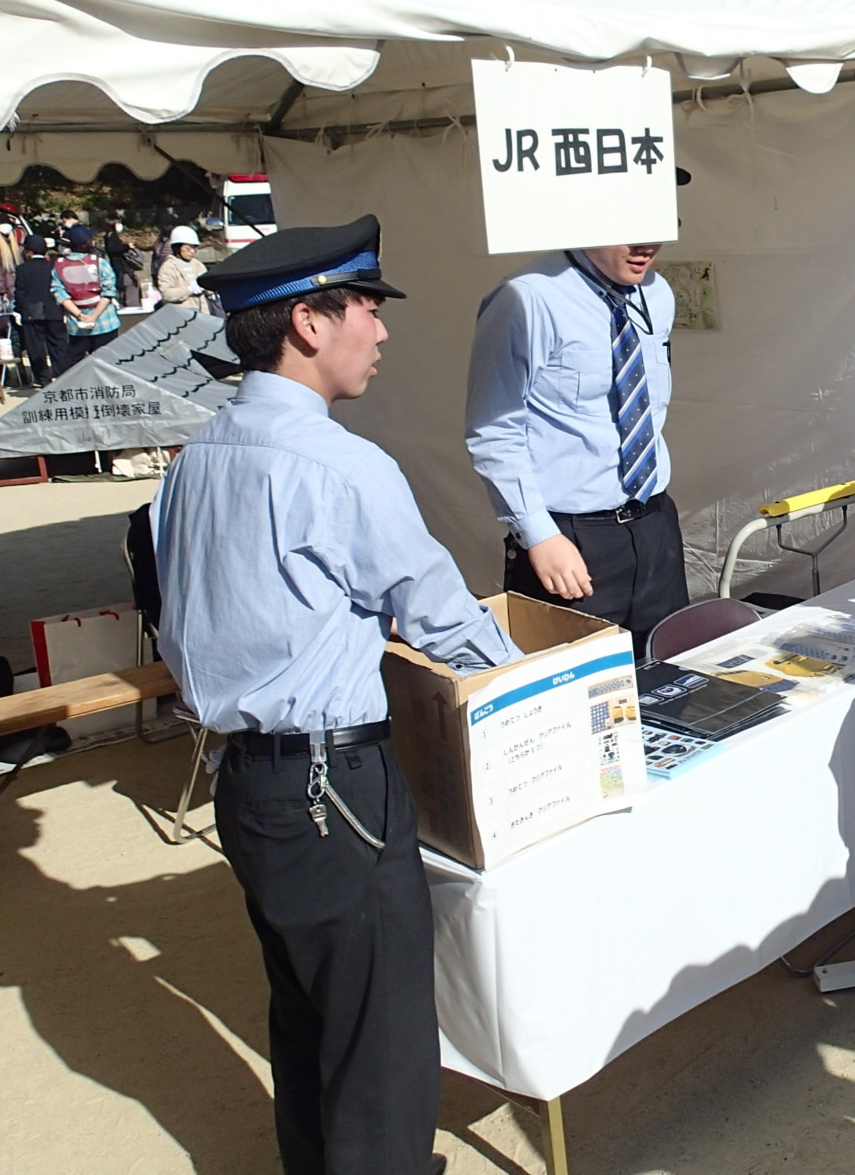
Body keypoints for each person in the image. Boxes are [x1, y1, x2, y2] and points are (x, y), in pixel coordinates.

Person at [152, 213, 521, 1175]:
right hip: (331, 789)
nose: (381, 330)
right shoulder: (340, 463)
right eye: (366, 307)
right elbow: (442, 618)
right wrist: (540, 691)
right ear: (308, 324)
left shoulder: (195, 460)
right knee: (382, 1045)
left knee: (310, 1016)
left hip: (249, 784)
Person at [466, 241, 688, 651]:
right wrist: (538, 535)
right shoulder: (528, 298)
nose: (646, 245)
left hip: (654, 526)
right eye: (628, 228)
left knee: (669, 678)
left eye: (658, 226)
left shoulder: (656, 293)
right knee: (576, 698)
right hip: (572, 539)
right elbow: (494, 430)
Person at [53, 225, 120, 362]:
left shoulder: (59, 265)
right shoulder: (99, 263)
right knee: (108, 363)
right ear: (89, 242)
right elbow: (108, 292)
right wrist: (93, 316)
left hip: (77, 323)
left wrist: (80, 315)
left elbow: (59, 293)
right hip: (104, 321)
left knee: (76, 364)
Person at [13, 233, 72, 386]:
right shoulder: (54, 267)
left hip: (32, 313)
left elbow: (20, 292)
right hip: (55, 311)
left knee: (36, 348)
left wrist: (19, 309)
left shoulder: (22, 269)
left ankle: (43, 379)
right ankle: (62, 375)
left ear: (29, 252)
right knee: (58, 346)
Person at [155, 225, 209, 312]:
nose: (192, 251)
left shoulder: (198, 265)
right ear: (177, 248)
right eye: (188, 248)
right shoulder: (169, 267)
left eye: (194, 248)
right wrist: (189, 290)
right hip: (181, 314)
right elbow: (166, 294)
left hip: (202, 311)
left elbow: (209, 286)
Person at [104, 219, 142, 308]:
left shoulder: (109, 235)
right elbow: (113, 249)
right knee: (129, 286)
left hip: (118, 267)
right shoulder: (111, 235)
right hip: (121, 267)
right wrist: (126, 246)